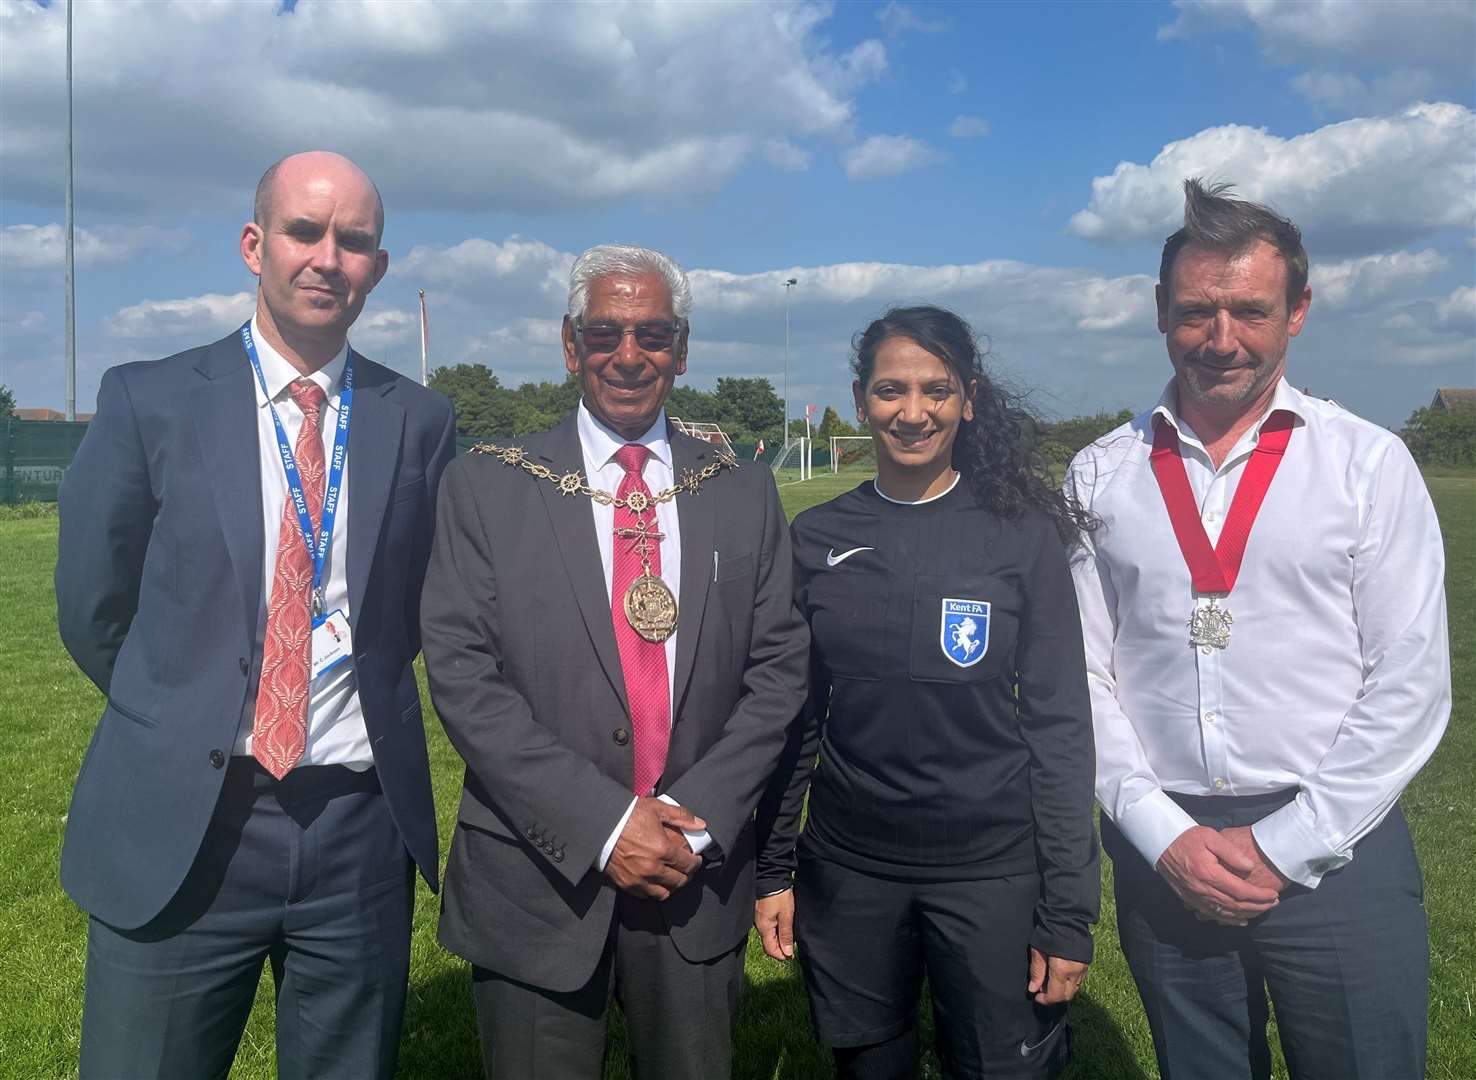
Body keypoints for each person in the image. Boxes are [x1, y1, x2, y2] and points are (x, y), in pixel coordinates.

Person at [56, 151, 456, 1079]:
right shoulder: (148, 399)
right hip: (190, 822)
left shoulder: (421, 419)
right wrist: (176, 707)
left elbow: (417, 607)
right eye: (303, 231)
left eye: (354, 241)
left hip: (357, 830)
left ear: (378, 269)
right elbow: (92, 603)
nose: (327, 257)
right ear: (254, 244)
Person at [1068, 179, 1449, 1080]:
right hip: (1170, 856)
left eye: (1251, 310)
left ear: (1298, 312)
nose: (1222, 338)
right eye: (1197, 310)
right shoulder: (1100, 474)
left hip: (1338, 851)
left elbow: (1411, 683)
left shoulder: (1367, 464)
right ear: (1160, 310)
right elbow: (1077, 680)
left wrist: (1284, 846)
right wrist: (1161, 834)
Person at [420, 243, 810, 1079]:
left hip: (694, 879)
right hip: (537, 882)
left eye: (653, 334)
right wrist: (603, 823)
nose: (629, 356)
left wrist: (692, 820)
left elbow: (780, 670)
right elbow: (460, 671)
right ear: (570, 344)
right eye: (605, 333)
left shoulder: (739, 489)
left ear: (682, 348)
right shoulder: (486, 487)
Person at [754, 306, 1100, 1079]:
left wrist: (1069, 911)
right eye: (890, 391)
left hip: (993, 871)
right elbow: (795, 720)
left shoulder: (1020, 536)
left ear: (968, 399)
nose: (913, 412)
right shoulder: (814, 538)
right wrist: (773, 868)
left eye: (935, 390)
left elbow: (1059, 726)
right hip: (850, 870)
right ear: (859, 400)